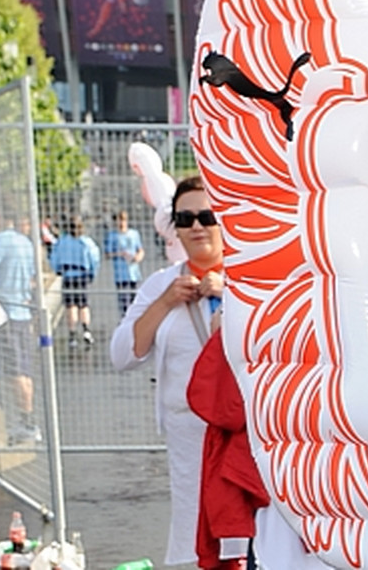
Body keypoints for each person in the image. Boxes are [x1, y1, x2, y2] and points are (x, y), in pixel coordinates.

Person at [109, 176, 246, 567]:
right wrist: (166, 302)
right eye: (185, 219)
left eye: (207, 215)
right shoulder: (160, 284)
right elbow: (122, 354)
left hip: (241, 433)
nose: (197, 226)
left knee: (246, 533)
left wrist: (229, 296)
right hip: (187, 434)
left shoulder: (249, 279)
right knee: (196, 536)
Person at [0, 216, 41, 443]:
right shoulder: (26, 243)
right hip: (22, 312)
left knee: (5, 369)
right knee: (23, 371)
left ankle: (8, 420)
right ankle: (26, 419)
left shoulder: (0, 242)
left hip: (3, 312)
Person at [50, 215, 101, 349]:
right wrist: (92, 272)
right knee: (83, 305)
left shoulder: (62, 242)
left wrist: (57, 269)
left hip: (68, 275)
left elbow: (54, 257)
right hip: (82, 275)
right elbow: (94, 257)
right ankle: (86, 330)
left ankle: (72, 335)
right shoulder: (86, 242)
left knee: (71, 306)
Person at [105, 210, 145, 316]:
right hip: (121, 275)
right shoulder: (112, 236)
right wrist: (119, 254)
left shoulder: (134, 234)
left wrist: (137, 257)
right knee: (124, 301)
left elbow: (140, 250)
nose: (121, 223)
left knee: (136, 301)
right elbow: (107, 254)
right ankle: (125, 321)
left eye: (123, 220)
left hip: (134, 274)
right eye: (119, 220)